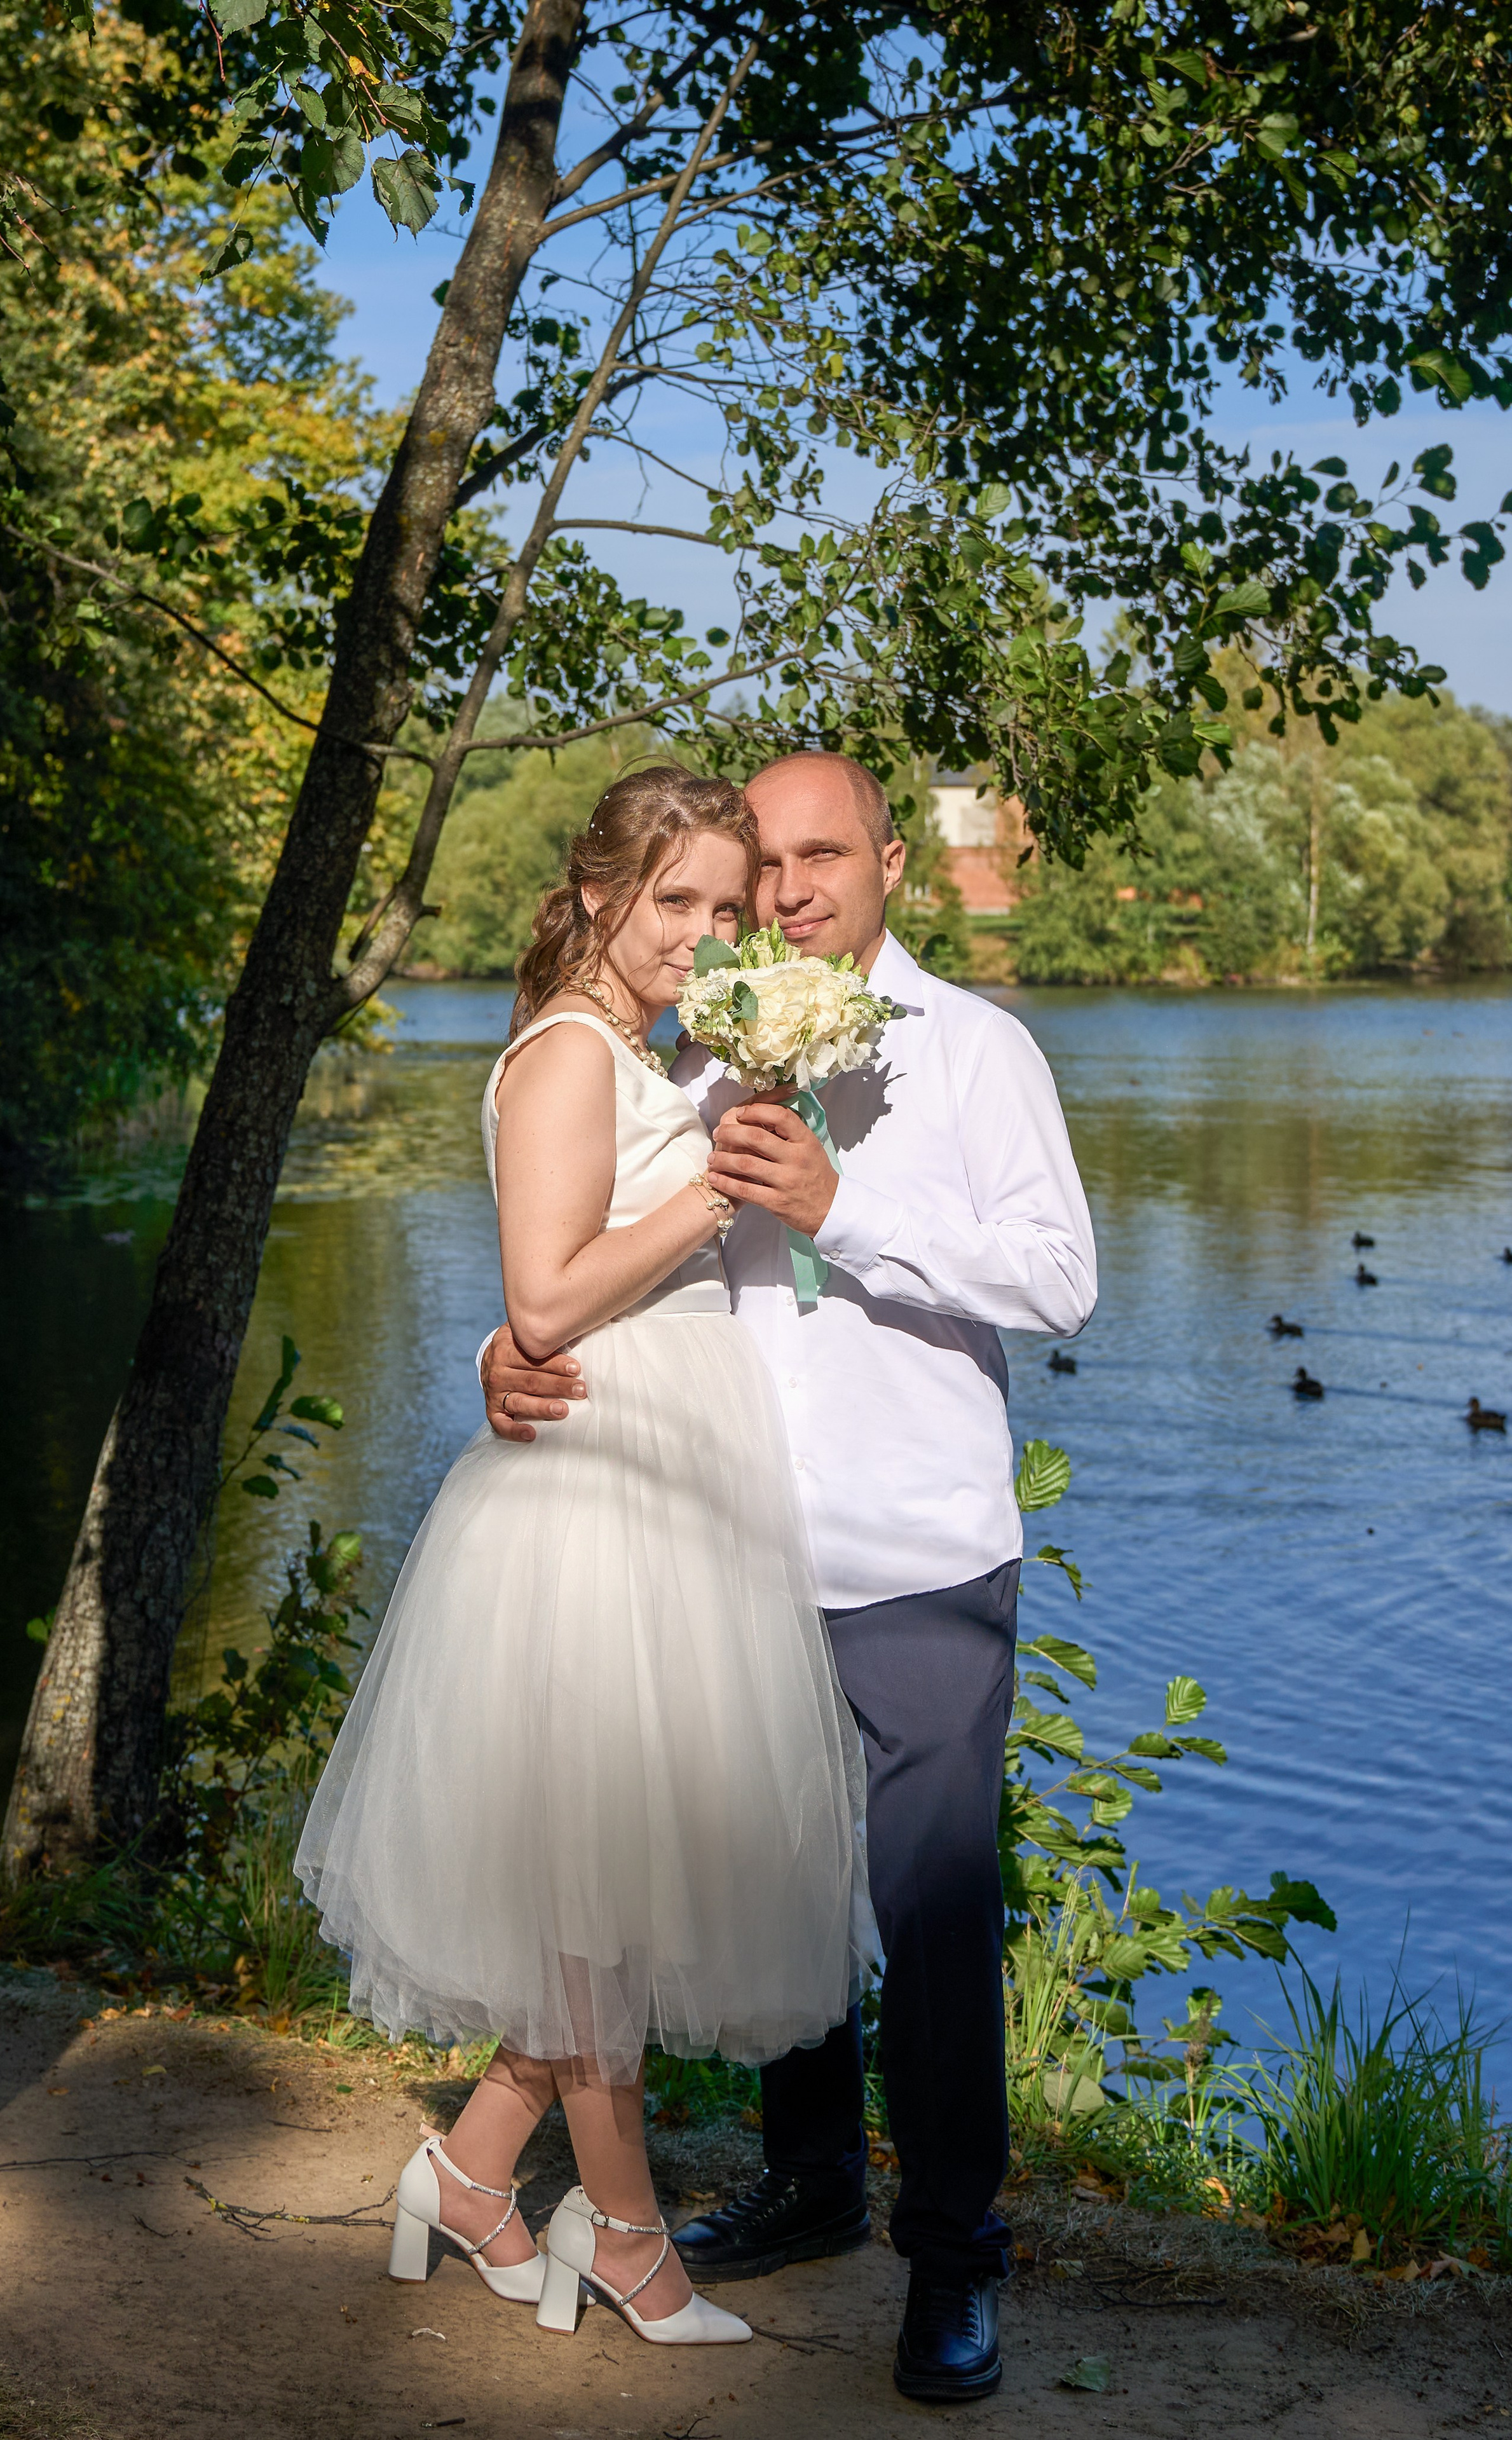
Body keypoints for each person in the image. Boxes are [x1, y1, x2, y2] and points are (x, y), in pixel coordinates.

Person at [481, 751, 1097, 2402]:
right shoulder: (705, 1043)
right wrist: (508, 1343)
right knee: (770, 1882)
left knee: (934, 1906)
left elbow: (1062, 1276)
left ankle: (955, 2253)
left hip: (915, 1555)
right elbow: (602, 1247)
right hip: (724, 1539)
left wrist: (854, 1202)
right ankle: (812, 2175)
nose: (796, 887)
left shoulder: (977, 1051)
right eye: (771, 863)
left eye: (826, 853)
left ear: (891, 861)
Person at [297, 766, 872, 2351]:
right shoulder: (566, 1052)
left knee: (609, 1879)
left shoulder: (648, 1053)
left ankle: (472, 2174)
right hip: (600, 1495)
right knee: (597, 1890)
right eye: (672, 899)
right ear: (597, 890)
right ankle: (617, 2220)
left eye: (721, 903)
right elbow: (542, 1302)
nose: (701, 932)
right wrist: (712, 1192)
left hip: (668, 1482)